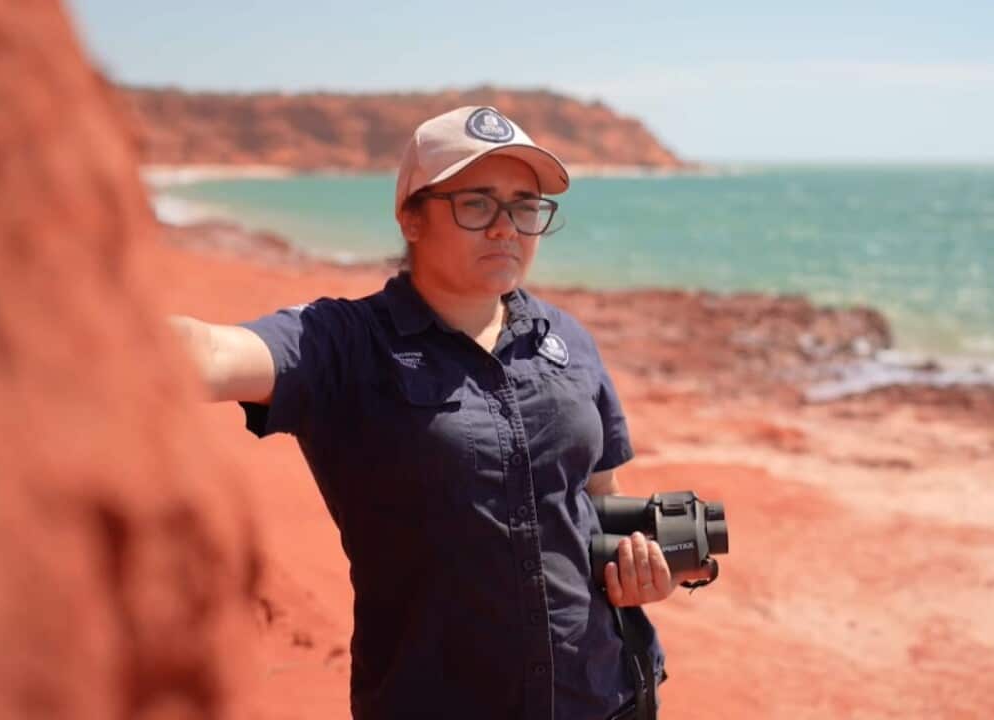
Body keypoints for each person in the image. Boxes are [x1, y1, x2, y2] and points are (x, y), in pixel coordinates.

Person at [170, 106, 714, 720]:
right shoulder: (346, 344)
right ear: (411, 215)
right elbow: (212, 351)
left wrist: (644, 571)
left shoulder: (568, 341)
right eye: (477, 204)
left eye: (525, 206)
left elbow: (598, 504)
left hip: (606, 697)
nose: (507, 228)